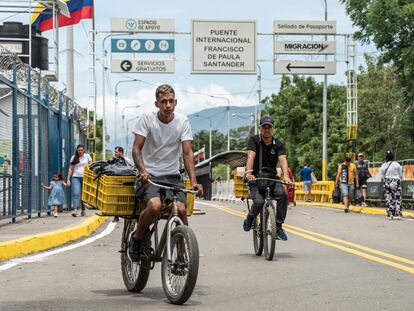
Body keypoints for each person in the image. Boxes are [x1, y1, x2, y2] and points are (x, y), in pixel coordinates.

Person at [129, 84, 202, 262]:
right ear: (157, 104)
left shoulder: (182, 121)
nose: (167, 105)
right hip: (150, 177)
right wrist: (142, 171)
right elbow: (136, 149)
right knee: (154, 206)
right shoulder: (147, 119)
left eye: (171, 101)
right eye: (163, 102)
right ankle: (137, 238)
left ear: (175, 102)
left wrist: (193, 181)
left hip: (172, 177)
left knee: (181, 210)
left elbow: (187, 153)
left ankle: (182, 254)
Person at [243, 115, 292, 241]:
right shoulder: (254, 140)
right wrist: (249, 173)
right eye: (264, 127)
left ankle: (279, 226)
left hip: (271, 179)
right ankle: (250, 217)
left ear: (273, 129)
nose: (267, 130)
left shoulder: (278, 144)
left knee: (283, 195)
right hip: (255, 178)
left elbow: (282, 160)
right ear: (260, 128)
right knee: (259, 202)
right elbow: (250, 157)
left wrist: (286, 176)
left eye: (269, 127)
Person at [66, 144, 92, 217]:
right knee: (76, 193)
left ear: (84, 150)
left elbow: (91, 165)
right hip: (75, 177)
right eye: (79, 150)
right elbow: (70, 169)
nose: (80, 151)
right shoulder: (74, 157)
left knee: (83, 195)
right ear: (77, 150)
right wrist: (68, 179)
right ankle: (75, 210)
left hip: (85, 177)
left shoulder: (87, 156)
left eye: (81, 150)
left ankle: (83, 210)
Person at [381, 150, 403, 220]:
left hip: (387, 181)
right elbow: (401, 175)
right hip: (396, 181)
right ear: (393, 157)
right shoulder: (397, 164)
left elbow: (382, 177)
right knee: (397, 198)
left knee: (389, 198)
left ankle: (390, 214)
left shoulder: (383, 165)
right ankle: (398, 214)